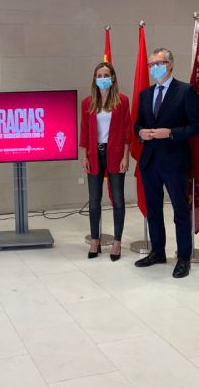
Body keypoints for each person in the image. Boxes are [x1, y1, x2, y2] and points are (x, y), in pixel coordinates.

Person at [134, 48, 199, 278]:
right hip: (150, 160)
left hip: (175, 161)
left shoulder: (186, 91)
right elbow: (137, 124)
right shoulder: (145, 94)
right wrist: (141, 132)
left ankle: (183, 257)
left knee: (179, 211)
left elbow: (198, 126)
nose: (155, 67)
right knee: (153, 209)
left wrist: (171, 132)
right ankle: (158, 251)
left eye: (160, 63)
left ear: (171, 64)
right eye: (151, 64)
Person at [80, 62, 132, 261]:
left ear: (113, 78)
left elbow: (127, 131)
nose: (103, 78)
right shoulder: (87, 103)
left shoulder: (122, 101)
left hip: (116, 154)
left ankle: (117, 242)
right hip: (94, 154)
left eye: (106, 75)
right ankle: (95, 240)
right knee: (94, 200)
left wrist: (125, 156)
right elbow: (84, 131)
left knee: (117, 199)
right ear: (95, 79)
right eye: (99, 75)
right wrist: (84, 155)